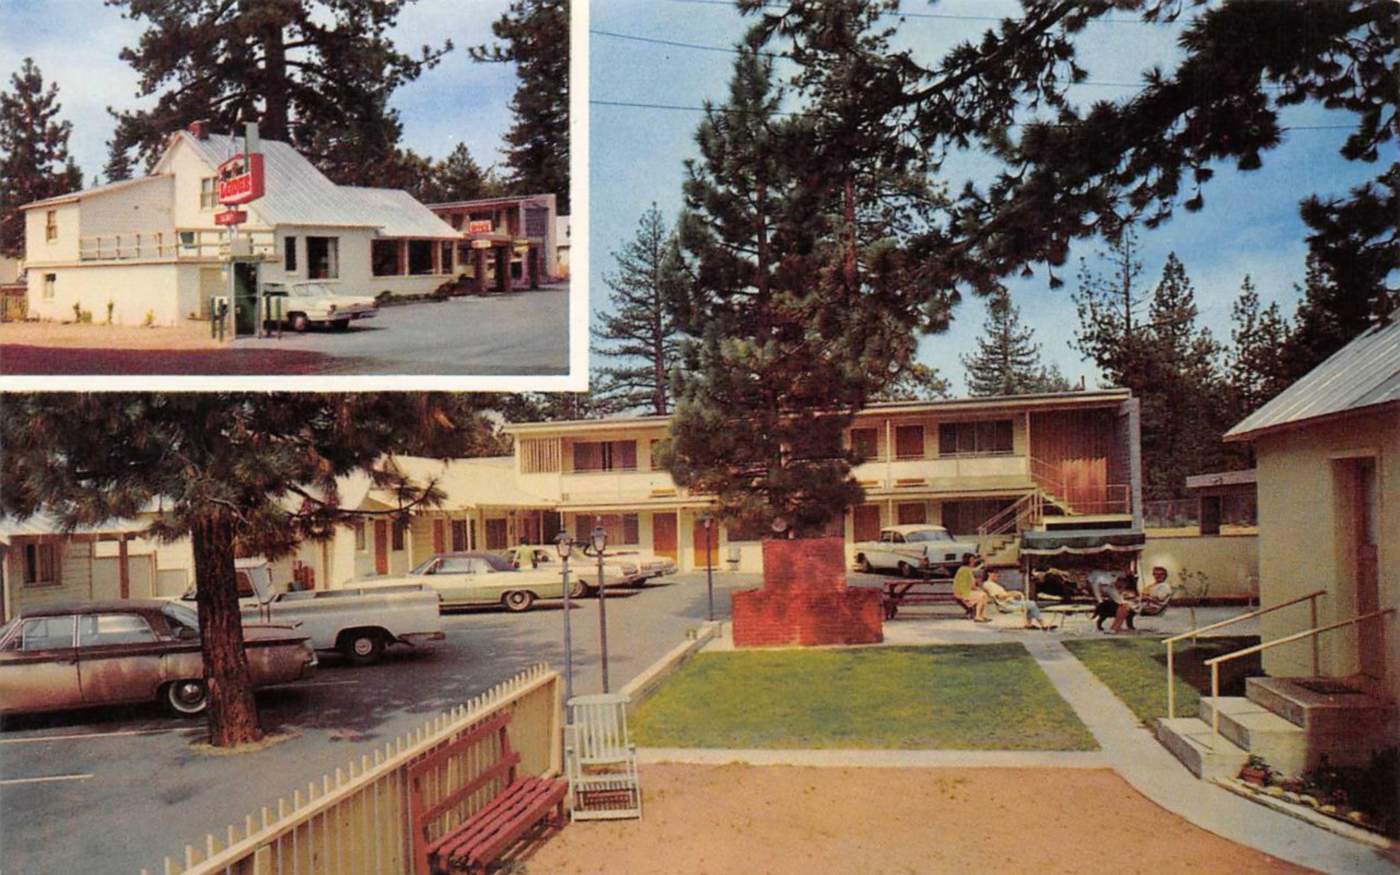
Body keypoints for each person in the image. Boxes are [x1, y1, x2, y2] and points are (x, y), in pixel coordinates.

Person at [984, 569, 1049, 630]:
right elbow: (1000, 596)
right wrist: (1013, 594)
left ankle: (1029, 624)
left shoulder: (993, 584)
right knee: (1031, 604)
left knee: (1030, 604)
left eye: (997, 574)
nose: (997, 575)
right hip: (1006, 605)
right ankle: (1043, 625)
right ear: (989, 574)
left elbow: (1003, 594)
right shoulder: (988, 584)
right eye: (995, 573)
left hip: (1010, 602)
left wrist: (1014, 593)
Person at [952, 554, 991, 622]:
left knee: (983, 595)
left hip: (965, 592)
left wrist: (982, 562)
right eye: (972, 560)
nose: (974, 562)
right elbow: (971, 583)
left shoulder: (966, 569)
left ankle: (981, 615)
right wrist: (983, 562)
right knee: (981, 595)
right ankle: (978, 616)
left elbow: (975, 570)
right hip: (962, 593)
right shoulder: (964, 570)